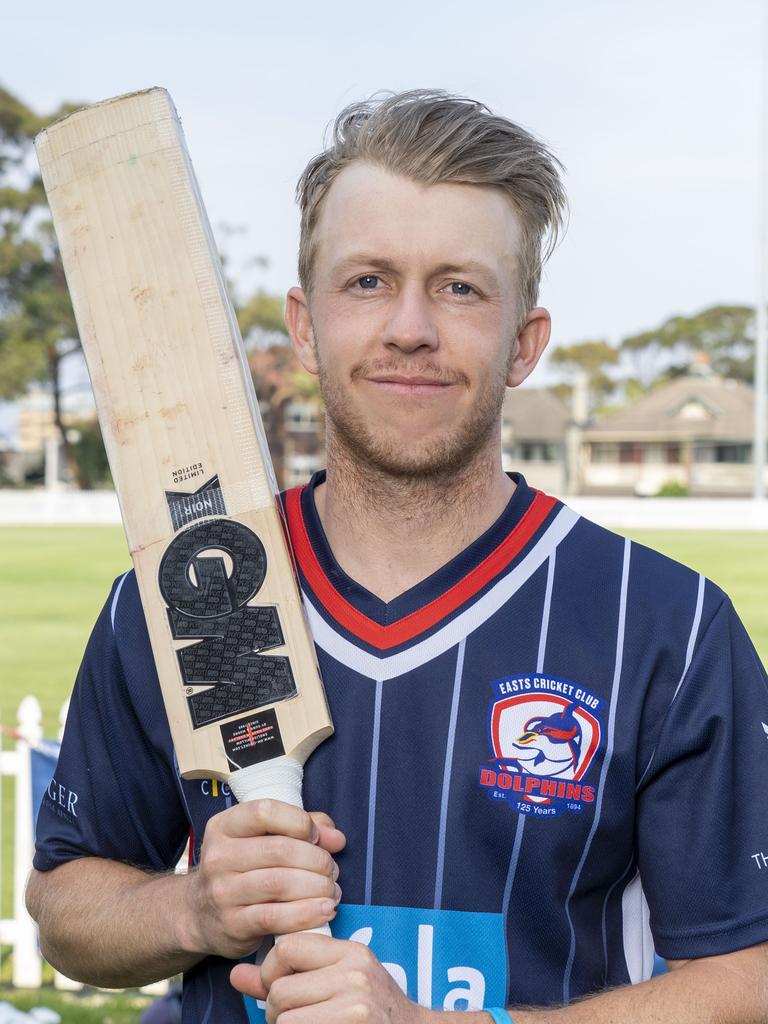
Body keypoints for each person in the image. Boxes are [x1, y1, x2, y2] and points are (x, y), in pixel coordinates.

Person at [26, 90, 768, 1024]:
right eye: (368, 280)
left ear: (524, 343)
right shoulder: (189, 592)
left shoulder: (667, 626)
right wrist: (192, 906)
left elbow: (749, 980)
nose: (410, 327)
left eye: (460, 287)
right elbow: (64, 908)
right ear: (304, 325)